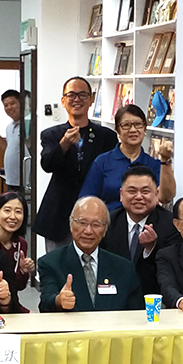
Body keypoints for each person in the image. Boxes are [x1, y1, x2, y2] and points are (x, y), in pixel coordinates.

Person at [34, 77, 118, 251]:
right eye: (71, 95)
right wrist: (64, 144)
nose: (77, 99)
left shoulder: (106, 136)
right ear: (63, 101)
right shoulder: (51, 134)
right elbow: (47, 164)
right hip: (58, 215)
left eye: (82, 95)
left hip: (95, 214)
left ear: (91, 99)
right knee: (58, 269)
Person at [39, 196, 144, 312]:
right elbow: (45, 305)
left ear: (105, 230)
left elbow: (136, 313)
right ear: (71, 225)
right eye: (82, 223)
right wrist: (58, 301)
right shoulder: (50, 263)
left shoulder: (124, 268)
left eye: (96, 224)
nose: (88, 231)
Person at [98, 165, 180, 295]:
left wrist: (151, 248)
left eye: (145, 191)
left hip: (153, 296)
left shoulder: (171, 224)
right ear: (121, 195)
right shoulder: (108, 222)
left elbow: (172, 269)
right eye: (132, 191)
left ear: (156, 194)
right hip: (114, 296)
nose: (138, 197)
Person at [79, 104, 176, 209]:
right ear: (117, 130)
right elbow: (86, 200)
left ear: (145, 129)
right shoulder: (102, 162)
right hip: (110, 222)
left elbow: (166, 197)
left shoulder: (153, 164)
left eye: (138, 124)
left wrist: (165, 160)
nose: (133, 130)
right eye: (126, 125)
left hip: (145, 224)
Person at [0, 191, 35, 307]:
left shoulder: (22, 244)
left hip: (10, 303)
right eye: (7, 210)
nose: (13, 217)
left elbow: (18, 286)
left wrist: (23, 271)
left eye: (18, 212)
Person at [0, 89, 26, 192]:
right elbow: (8, 147)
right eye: (6, 105)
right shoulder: (9, 126)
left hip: (24, 180)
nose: (9, 107)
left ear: (21, 103)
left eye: (12, 103)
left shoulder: (28, 125)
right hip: (11, 179)